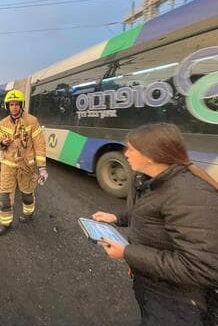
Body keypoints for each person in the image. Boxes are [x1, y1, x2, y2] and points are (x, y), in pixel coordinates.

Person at [91, 123, 218, 326]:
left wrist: (127, 253)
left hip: (177, 302)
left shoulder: (188, 195)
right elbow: (151, 216)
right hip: (155, 284)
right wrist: (117, 218)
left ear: (151, 155)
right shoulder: (158, 182)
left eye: (131, 149)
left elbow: (199, 267)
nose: (126, 154)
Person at [0, 89, 47, 236]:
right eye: (11, 104)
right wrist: (2, 142)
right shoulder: (3, 123)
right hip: (8, 165)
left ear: (21, 105)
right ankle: (6, 223)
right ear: (8, 106)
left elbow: (39, 143)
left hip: (26, 165)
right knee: (4, 196)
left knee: (27, 193)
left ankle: (28, 214)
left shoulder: (32, 121)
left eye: (17, 104)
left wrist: (42, 167)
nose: (14, 107)